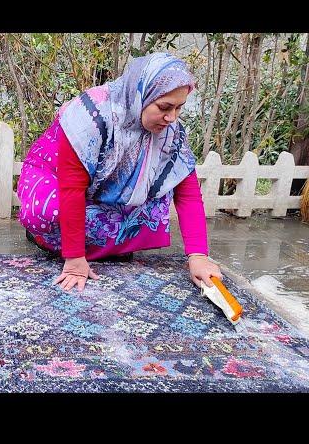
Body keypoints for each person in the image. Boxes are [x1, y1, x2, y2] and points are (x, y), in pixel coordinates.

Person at [16, 52, 222, 293]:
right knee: (48, 209)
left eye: (179, 108)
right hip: (55, 176)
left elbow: (186, 193)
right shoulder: (89, 115)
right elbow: (71, 188)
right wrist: (74, 260)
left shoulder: (171, 131)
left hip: (99, 193)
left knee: (158, 203)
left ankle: (98, 245)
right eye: (164, 107)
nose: (171, 118)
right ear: (141, 95)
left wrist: (198, 255)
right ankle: (48, 240)